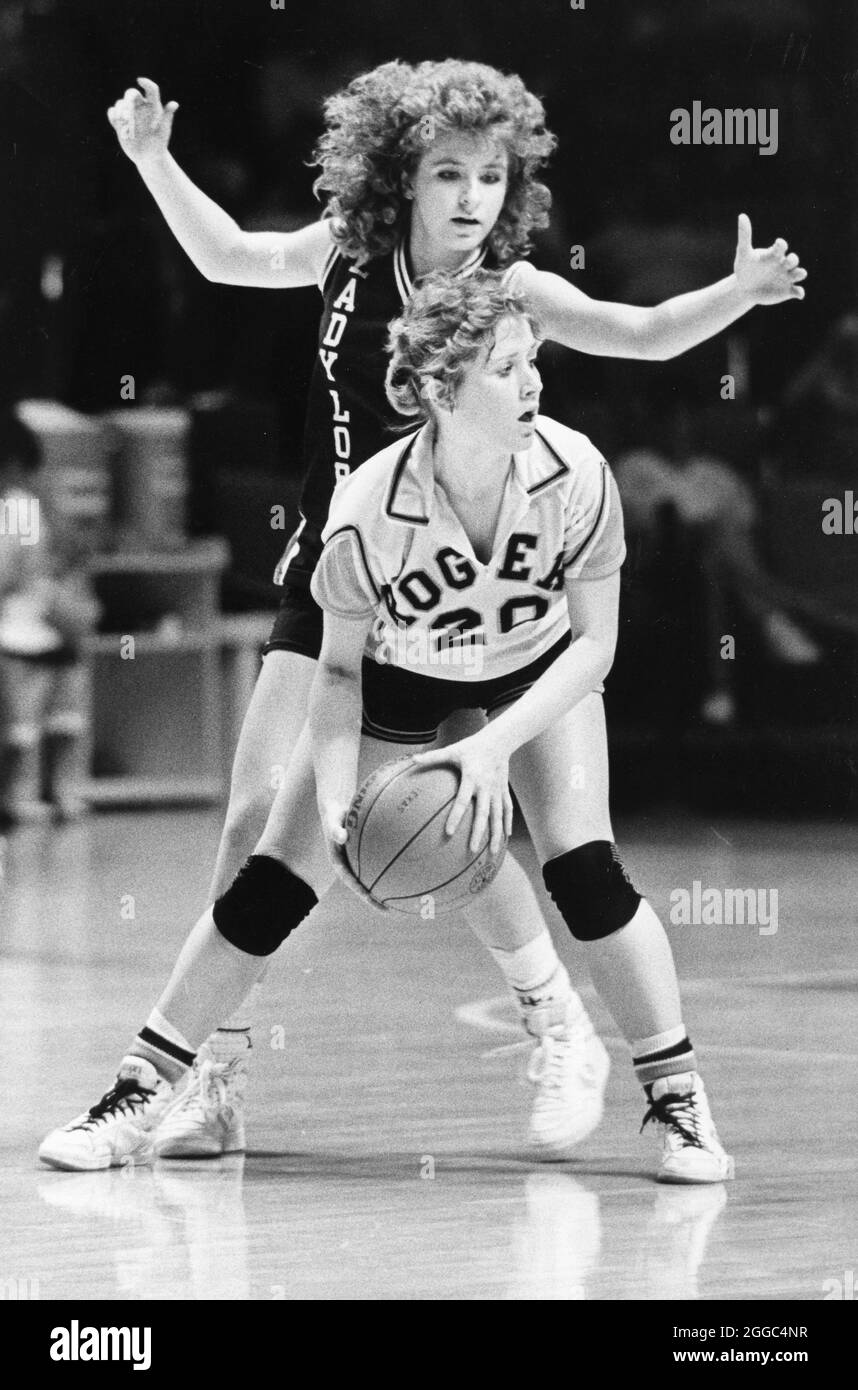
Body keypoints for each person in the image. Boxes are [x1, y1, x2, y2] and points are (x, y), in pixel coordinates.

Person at [39, 60, 803, 1169]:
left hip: (502, 601)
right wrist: (155, 159)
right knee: (263, 822)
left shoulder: (523, 314)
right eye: (448, 172)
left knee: (561, 849)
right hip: (354, 574)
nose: (470, 197)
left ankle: (593, 1038)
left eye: (491, 177)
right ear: (400, 178)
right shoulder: (343, 264)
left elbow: (638, 330)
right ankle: (202, 1079)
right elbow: (225, 256)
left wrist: (735, 295)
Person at [0, 413, 97, 824]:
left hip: (40, 625)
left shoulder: (25, 505)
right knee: (23, 723)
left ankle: (55, 793)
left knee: (57, 716)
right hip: (20, 628)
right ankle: (24, 796)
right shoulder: (24, 505)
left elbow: (18, 568)